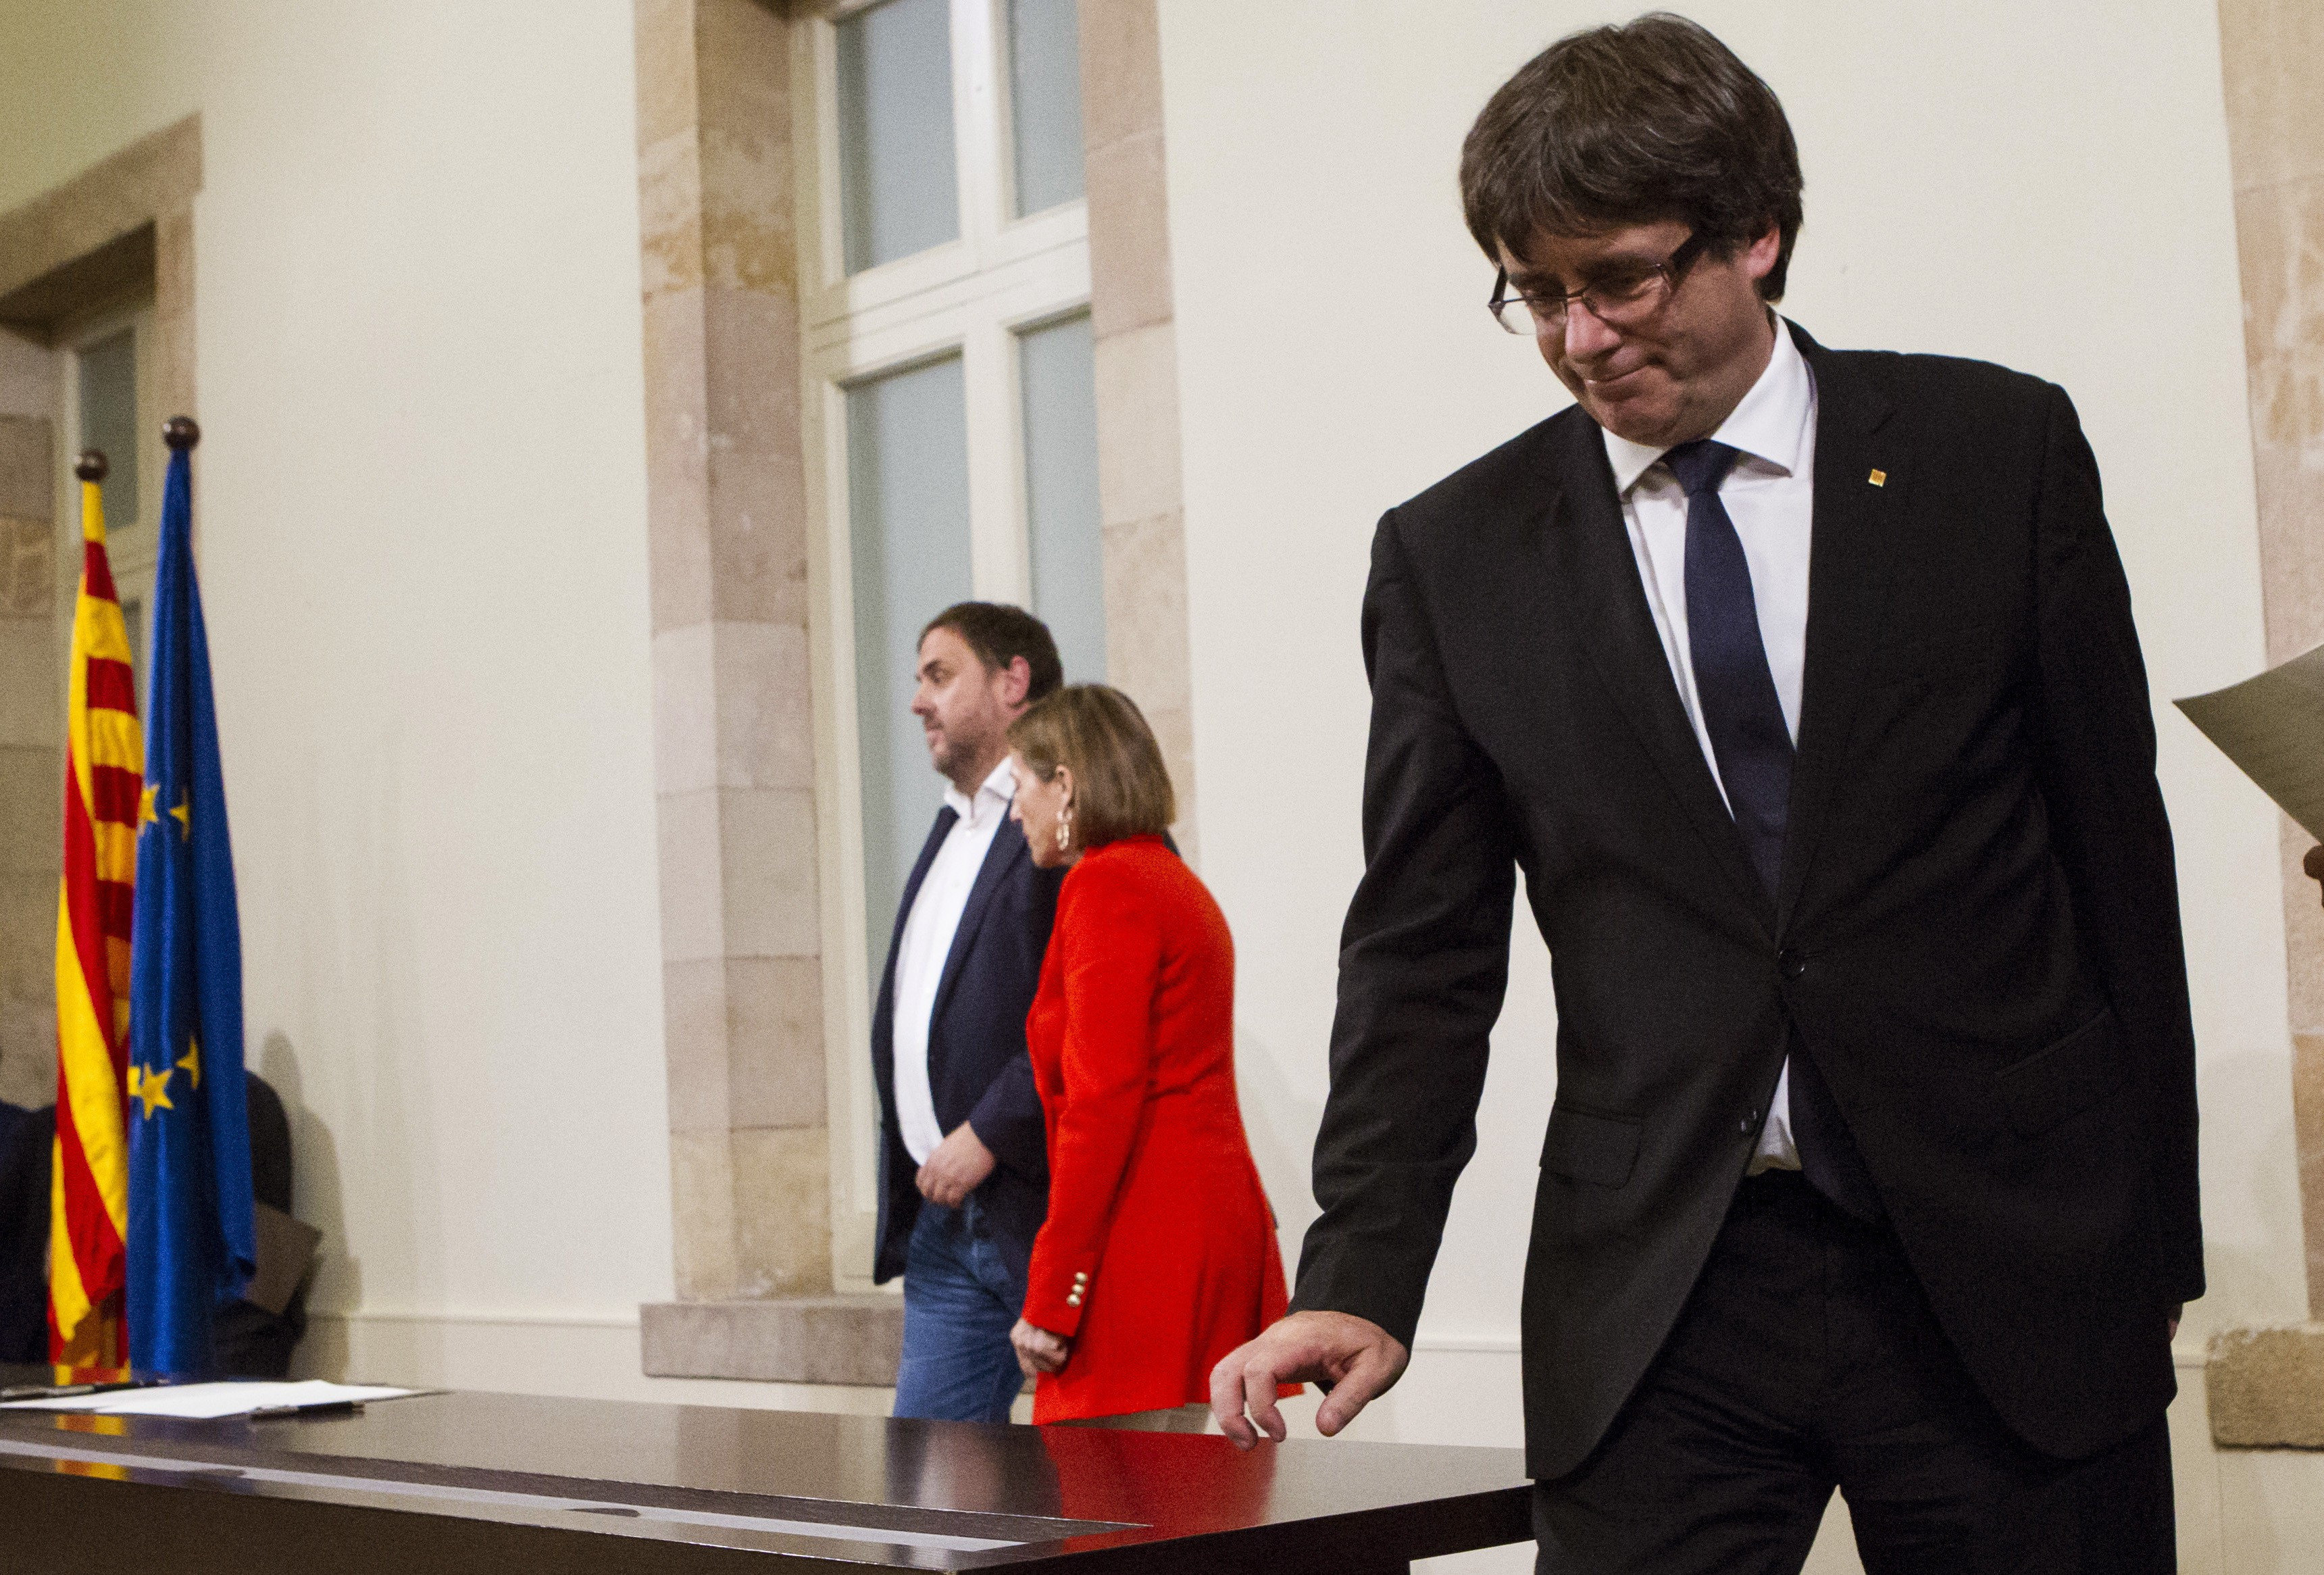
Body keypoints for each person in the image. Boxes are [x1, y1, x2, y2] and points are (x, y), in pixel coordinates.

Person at [1210, 16, 2200, 1573]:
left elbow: (2110, 860)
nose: (1578, 336)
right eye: (1535, 293)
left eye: (1616, 279)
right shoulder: (1453, 558)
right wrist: (1360, 1267)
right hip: (1662, 1289)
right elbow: (1420, 951)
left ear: (1758, 231)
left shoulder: (1989, 455)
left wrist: (2151, 1236)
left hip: (1998, 1270)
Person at [1002, 684, 1293, 1428]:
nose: (1014, 813)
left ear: (1063, 783)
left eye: (1020, 787)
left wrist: (1053, 1296)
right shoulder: (1169, 881)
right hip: (1196, 1222)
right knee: (1187, 1503)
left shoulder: (1107, 884)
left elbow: (1102, 1101)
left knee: (1110, 1513)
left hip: (1145, 1236)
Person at [874, 603, 1065, 1423]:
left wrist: (988, 1131)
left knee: (1117, 1508)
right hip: (943, 1225)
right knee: (926, 1510)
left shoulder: (1063, 812)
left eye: (939, 675)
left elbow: (1085, 1010)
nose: (917, 700)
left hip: (1042, 1207)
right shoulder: (952, 826)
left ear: (1012, 679)